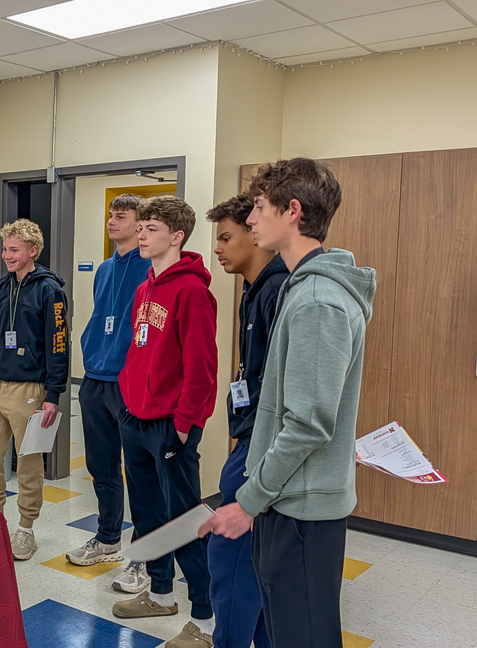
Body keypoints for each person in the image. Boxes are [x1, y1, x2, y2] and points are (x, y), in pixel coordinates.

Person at [199, 159, 375, 648]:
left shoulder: (317, 298)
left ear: (292, 211)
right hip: (289, 500)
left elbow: (308, 424)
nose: (250, 221)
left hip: (300, 510)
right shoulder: (303, 289)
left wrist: (248, 502)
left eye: (258, 207)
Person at [113, 196, 218, 648]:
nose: (141, 234)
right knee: (149, 513)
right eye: (142, 227)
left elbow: (202, 369)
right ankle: (159, 592)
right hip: (135, 417)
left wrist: (184, 423)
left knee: (184, 519)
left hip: (170, 426)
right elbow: (138, 351)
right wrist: (126, 400)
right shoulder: (144, 289)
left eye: (151, 228)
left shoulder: (193, 292)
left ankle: (205, 617)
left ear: (176, 237)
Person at [204, 193, 288, 648]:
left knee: (230, 558)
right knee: (245, 565)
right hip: (248, 439)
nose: (218, 248)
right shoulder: (254, 291)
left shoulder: (279, 291)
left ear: (254, 234)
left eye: (226, 237)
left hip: (262, 448)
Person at [0, 219, 68, 561]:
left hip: (30, 390)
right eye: (4, 249)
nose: (7, 255)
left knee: (29, 463)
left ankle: (25, 529)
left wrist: (53, 394)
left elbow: (58, 343)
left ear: (32, 251)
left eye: (14, 250)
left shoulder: (50, 290)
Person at [64, 194, 152, 595]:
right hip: (95, 378)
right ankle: (108, 538)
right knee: (101, 466)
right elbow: (102, 315)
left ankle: (146, 556)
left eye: (122, 216)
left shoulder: (151, 268)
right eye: (111, 215)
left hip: (129, 382)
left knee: (140, 473)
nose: (112, 222)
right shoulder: (103, 269)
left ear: (140, 225)